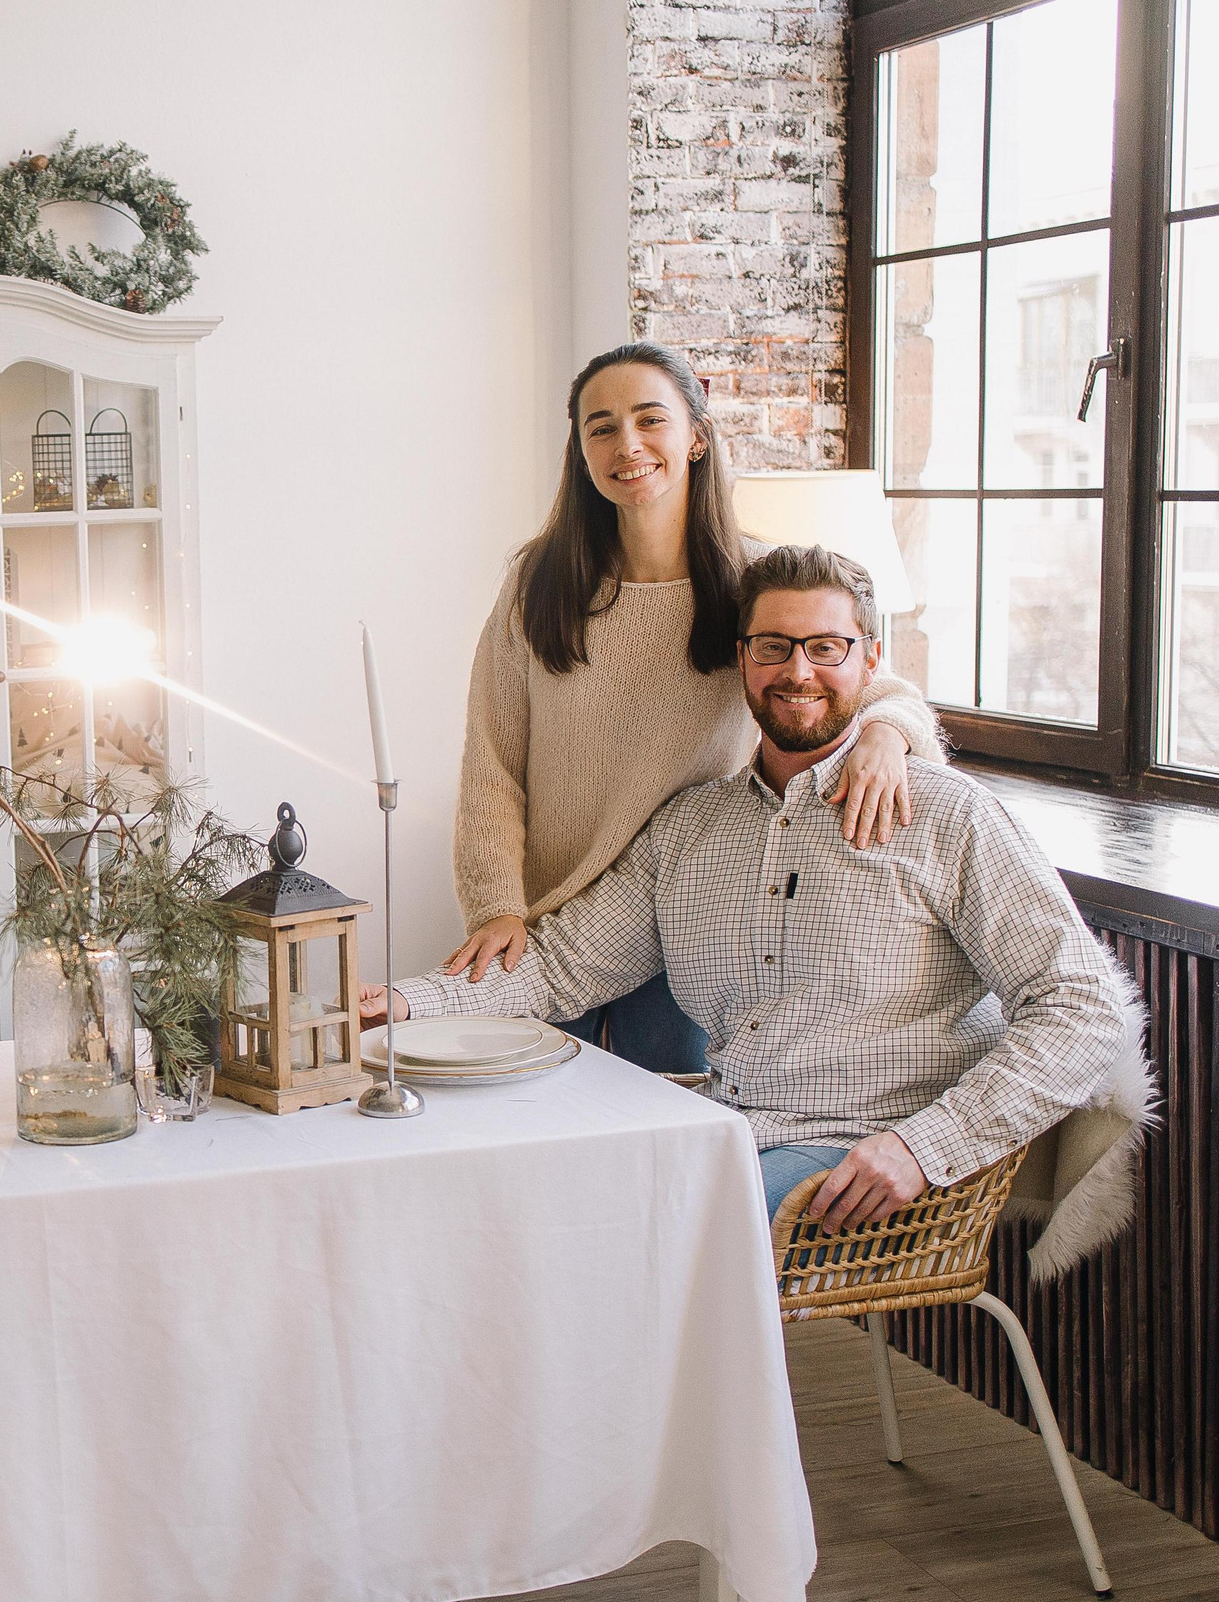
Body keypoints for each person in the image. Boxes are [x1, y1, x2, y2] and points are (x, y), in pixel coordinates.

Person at [367, 544, 1130, 1232]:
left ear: (870, 662)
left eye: (826, 647)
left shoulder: (945, 814)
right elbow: (563, 963)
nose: (798, 671)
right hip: (722, 1129)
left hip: (858, 1159)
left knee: (623, 1245)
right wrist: (403, 1003)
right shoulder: (689, 830)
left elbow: (1082, 1005)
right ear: (742, 662)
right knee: (507, 1205)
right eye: (774, 646)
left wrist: (925, 1147)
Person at [445, 342, 946, 1075]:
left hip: (688, 922)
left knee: (675, 1137)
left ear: (698, 436)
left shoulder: (751, 578)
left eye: (651, 420)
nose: (628, 445)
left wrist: (885, 736)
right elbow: (492, 763)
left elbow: (876, 686)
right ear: (581, 450)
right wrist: (495, 906)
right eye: (602, 426)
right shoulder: (538, 581)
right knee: (525, 1127)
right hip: (546, 926)